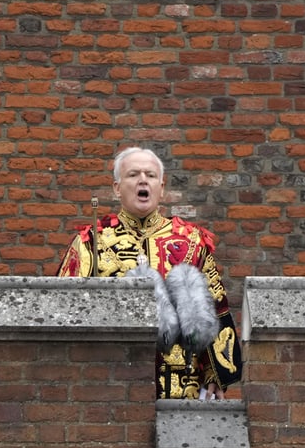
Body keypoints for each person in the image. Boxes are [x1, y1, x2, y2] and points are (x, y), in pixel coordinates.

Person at [57, 147, 243, 400]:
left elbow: (217, 307)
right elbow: (65, 310)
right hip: (112, 385)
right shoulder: (91, 242)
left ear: (162, 187)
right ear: (117, 188)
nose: (143, 180)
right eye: (133, 174)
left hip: (184, 386)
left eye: (151, 175)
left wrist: (217, 374)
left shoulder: (191, 240)